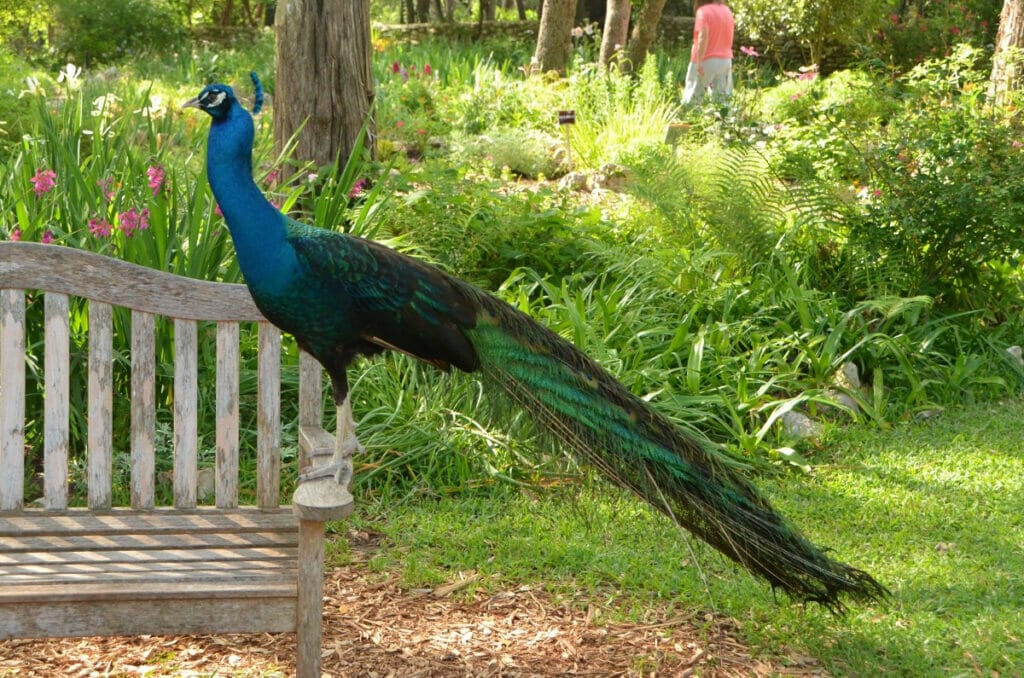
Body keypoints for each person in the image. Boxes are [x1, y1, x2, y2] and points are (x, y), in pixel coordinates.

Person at [682, 0, 735, 106]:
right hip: (725, 60)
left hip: (706, 58)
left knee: (693, 95)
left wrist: (699, 62)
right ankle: (722, 121)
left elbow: (703, 36)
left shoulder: (703, 12)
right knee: (723, 99)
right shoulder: (727, 11)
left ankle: (688, 120)